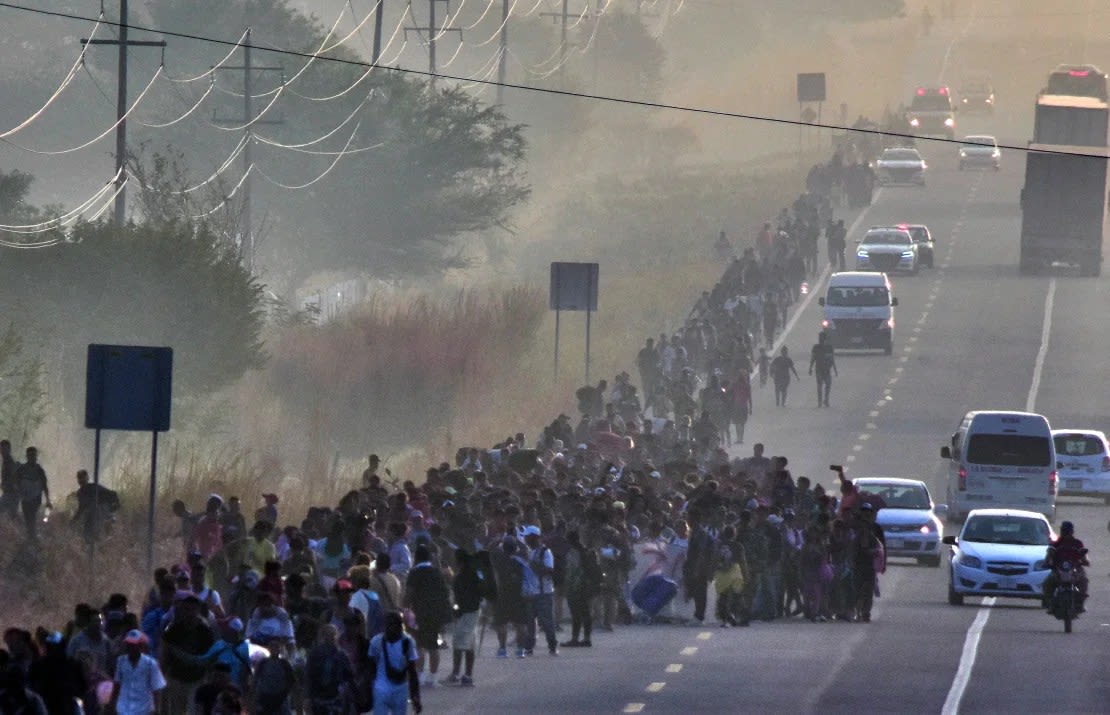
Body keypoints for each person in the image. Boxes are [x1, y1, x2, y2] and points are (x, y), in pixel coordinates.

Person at [367, 611, 422, 715]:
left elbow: (412, 671)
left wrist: (415, 696)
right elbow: (370, 668)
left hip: (393, 689)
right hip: (386, 689)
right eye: (390, 625)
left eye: (395, 625)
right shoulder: (377, 642)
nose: (392, 628)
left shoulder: (407, 642)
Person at [445, 549, 485, 685]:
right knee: (470, 644)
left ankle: (456, 674)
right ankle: (467, 675)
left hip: (466, 612)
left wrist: (456, 610)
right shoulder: (474, 573)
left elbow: (458, 597)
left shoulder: (463, 576)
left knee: (459, 643)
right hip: (474, 610)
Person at [112, 630, 167, 715]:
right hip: (123, 708)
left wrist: (157, 710)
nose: (130, 648)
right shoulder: (121, 661)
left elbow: (157, 689)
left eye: (133, 645)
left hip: (143, 710)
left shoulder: (151, 664)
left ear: (141, 646)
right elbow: (117, 684)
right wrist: (111, 705)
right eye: (128, 645)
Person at [1042, 520, 1089, 610]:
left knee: (1084, 580)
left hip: (1075, 569)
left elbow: (1084, 556)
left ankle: (1080, 603)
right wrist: (1046, 562)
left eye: (1068, 531)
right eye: (1064, 531)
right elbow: (1049, 554)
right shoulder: (1055, 544)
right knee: (1047, 584)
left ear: (1072, 531)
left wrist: (1085, 561)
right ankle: (1050, 603)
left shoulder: (1078, 543)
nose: (1066, 533)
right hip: (1058, 570)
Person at [15, 446, 50, 538]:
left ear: (36, 456)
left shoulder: (39, 470)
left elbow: (45, 485)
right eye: (30, 455)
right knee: (27, 518)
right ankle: (31, 536)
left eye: (34, 455)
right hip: (25, 499)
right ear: (27, 456)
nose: (32, 457)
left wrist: (48, 500)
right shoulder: (21, 469)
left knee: (32, 516)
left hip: (35, 499)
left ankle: (33, 536)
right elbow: (16, 482)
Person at [808, 331, 838, 408]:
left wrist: (835, 370)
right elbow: (813, 358)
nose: (820, 339)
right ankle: (820, 401)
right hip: (819, 369)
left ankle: (826, 399)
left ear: (824, 339)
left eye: (821, 338)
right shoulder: (816, 347)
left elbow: (832, 359)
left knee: (828, 385)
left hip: (827, 369)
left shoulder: (829, 348)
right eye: (819, 338)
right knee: (819, 386)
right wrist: (810, 368)